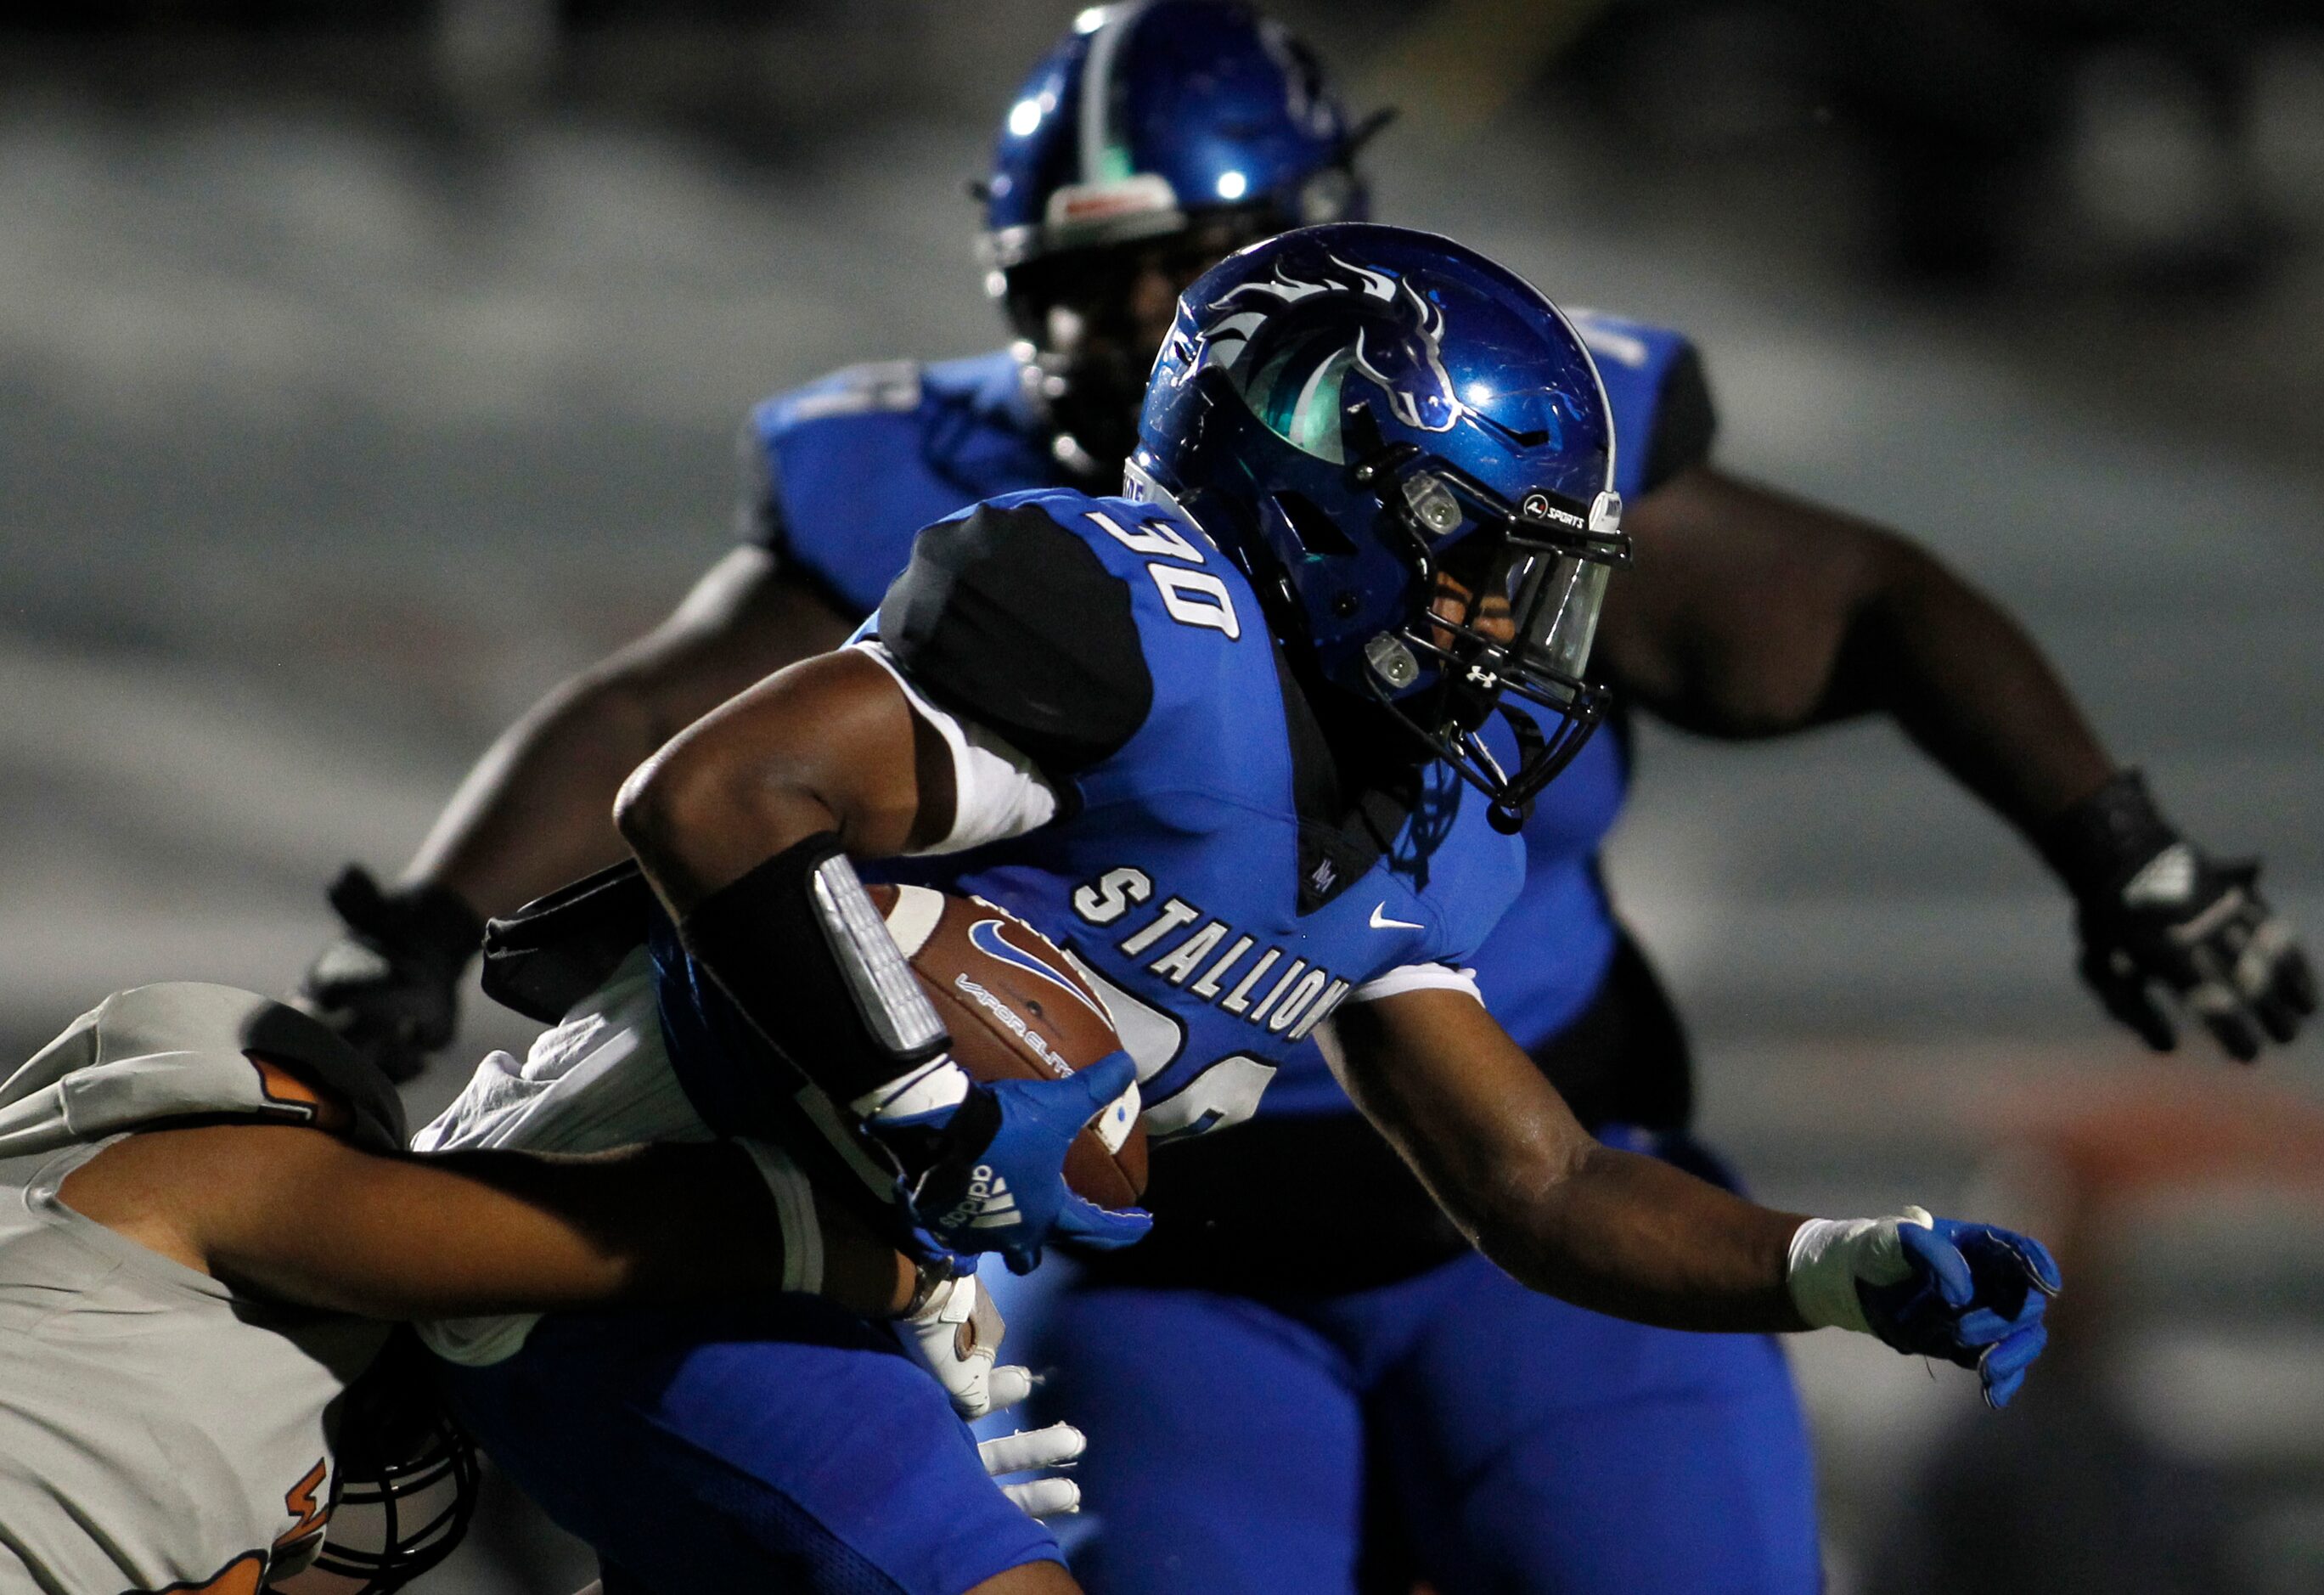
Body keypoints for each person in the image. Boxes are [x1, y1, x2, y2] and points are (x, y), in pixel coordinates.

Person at [298, 4, 2308, 1590]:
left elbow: (1542, 1174)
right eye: (1081, 281)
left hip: (1393, 1184)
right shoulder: (1105, 592)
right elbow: (693, 752)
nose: (1127, 329)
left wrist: (1843, 1242)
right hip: (1049, 1241)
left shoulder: (1435, 761)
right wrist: (461, 954)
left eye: (1179, 267)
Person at [0, 980, 1076, 1595]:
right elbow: (649, 1221)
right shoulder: (202, 1172)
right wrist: (913, 1269)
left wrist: (744, 1547)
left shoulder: (135, 1351)